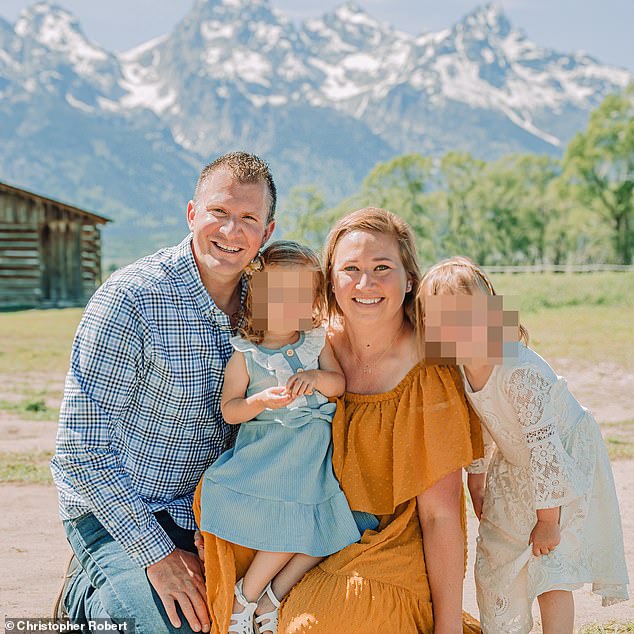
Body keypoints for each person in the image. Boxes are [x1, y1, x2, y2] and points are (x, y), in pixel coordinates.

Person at [51, 152, 277, 633]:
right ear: (192, 213)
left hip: (213, 515)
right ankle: (87, 596)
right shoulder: (130, 298)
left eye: (248, 219)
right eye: (219, 212)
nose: (231, 231)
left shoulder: (272, 307)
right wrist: (158, 555)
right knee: (172, 626)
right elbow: (78, 453)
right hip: (118, 511)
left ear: (267, 233)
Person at [271, 208, 483, 633]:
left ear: (409, 280)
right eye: (351, 269)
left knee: (323, 623)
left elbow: (440, 517)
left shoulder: (429, 370)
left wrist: (448, 627)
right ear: (331, 280)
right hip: (315, 526)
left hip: (395, 541)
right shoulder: (312, 349)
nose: (365, 284)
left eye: (382, 268)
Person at [417, 256, 629, 634]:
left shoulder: (517, 371)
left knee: (550, 562)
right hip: (517, 462)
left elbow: (545, 447)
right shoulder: (461, 368)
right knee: (500, 554)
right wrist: (477, 477)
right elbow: (481, 424)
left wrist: (549, 520)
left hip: (561, 460)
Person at [195, 240, 377, 634]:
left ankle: (264, 598)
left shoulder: (316, 341)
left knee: (330, 529)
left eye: (300, 298)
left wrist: (315, 378)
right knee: (298, 522)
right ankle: (246, 599)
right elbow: (230, 409)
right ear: (257, 299)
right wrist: (258, 400)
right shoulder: (246, 354)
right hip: (271, 454)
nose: (289, 308)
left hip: (312, 451)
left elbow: (338, 385)